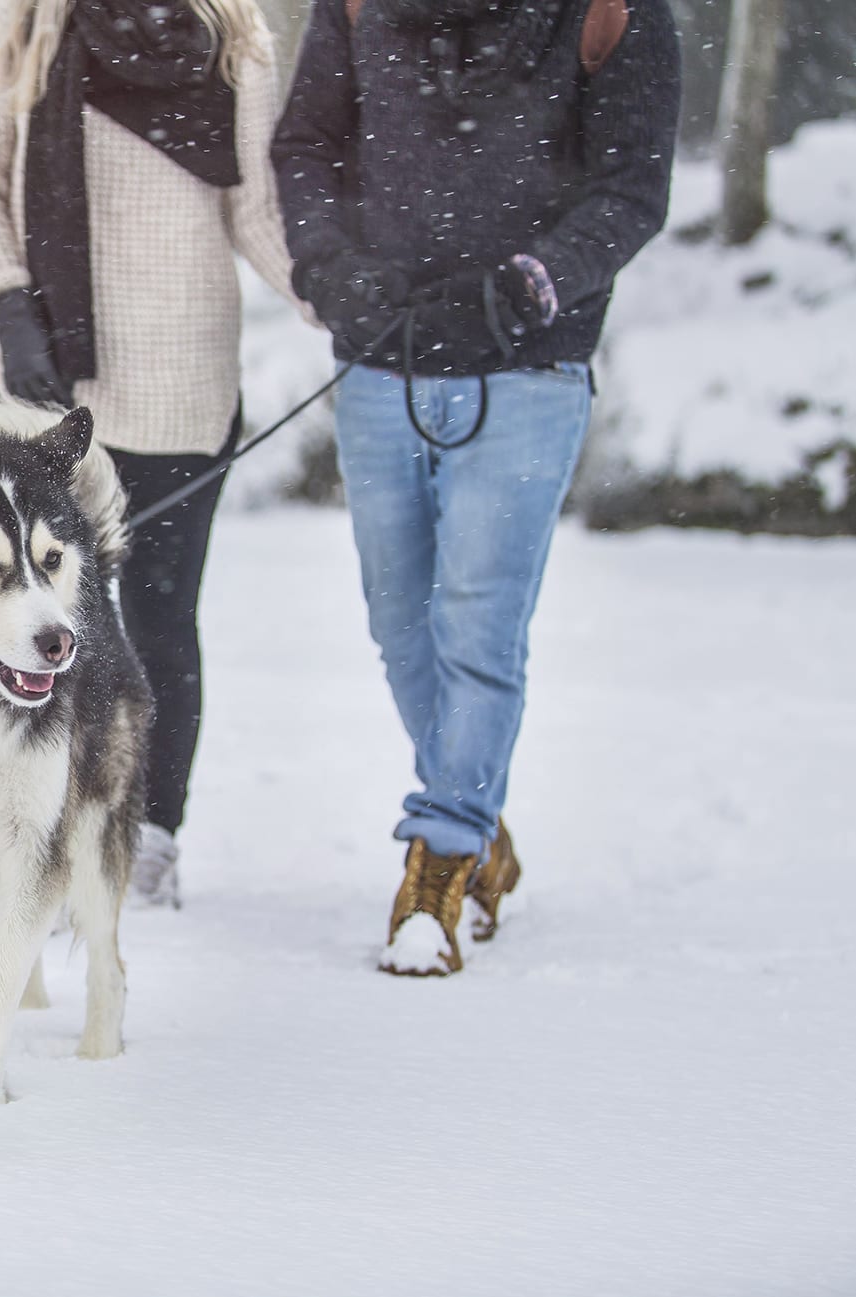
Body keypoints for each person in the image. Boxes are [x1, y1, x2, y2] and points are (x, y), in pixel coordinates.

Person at [271, 0, 680, 973]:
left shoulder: (608, 12)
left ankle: (442, 855)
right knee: (399, 620)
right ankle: (476, 816)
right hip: (382, 363)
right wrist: (331, 269)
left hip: (528, 369)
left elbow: (630, 189)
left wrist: (527, 285)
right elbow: (305, 145)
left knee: (477, 622)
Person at [0, 0, 302, 908]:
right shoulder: (28, 19)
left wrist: (345, 299)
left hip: (184, 386)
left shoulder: (234, 31)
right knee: (25, 619)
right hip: (43, 390)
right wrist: (9, 308)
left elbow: (258, 211)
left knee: (158, 622)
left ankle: (147, 835)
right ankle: (21, 827)